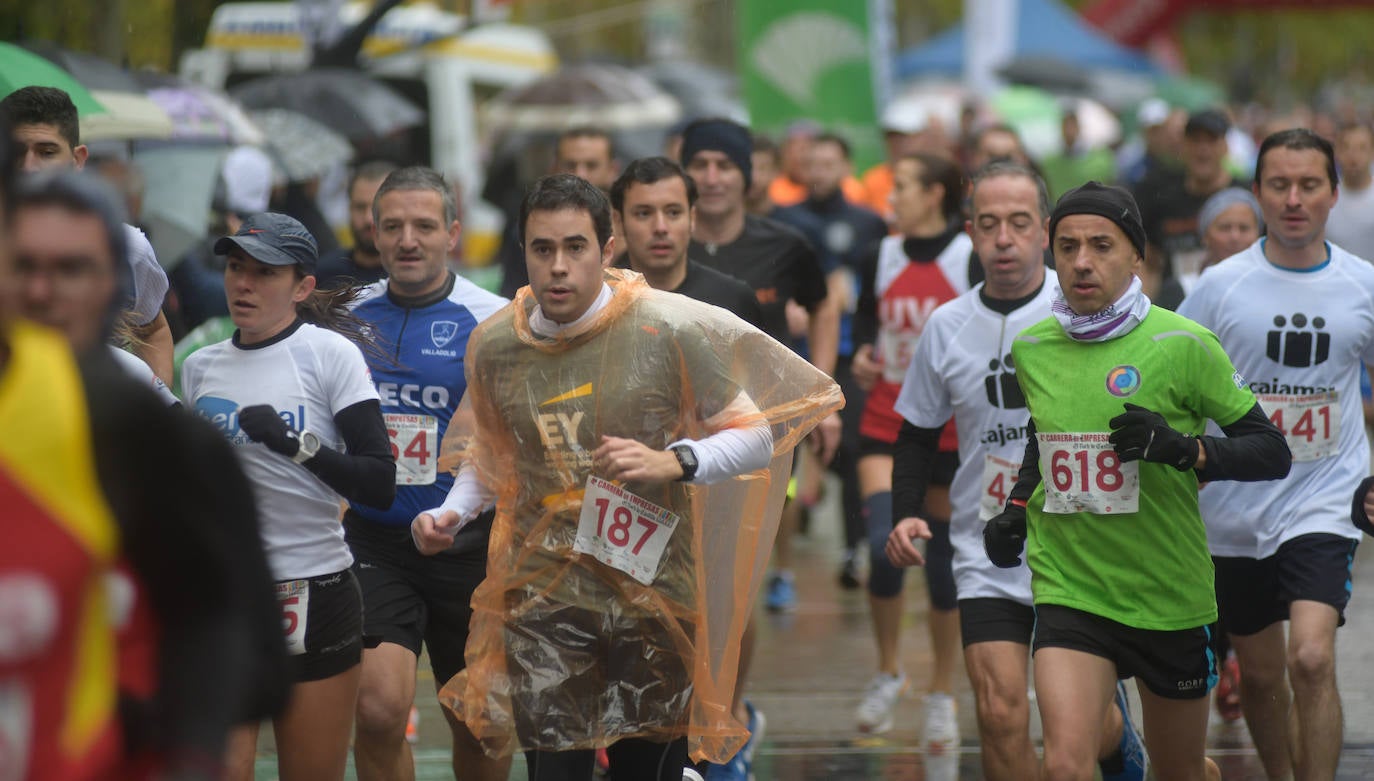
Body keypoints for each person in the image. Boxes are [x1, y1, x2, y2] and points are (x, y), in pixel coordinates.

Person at [410, 174, 841, 779]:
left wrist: (675, 461)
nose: (558, 267)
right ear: (525, 252)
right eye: (542, 249)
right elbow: (491, 455)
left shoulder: (666, 327)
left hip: (652, 597)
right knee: (555, 771)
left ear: (606, 250)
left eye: (575, 248)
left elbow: (757, 435)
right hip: (543, 597)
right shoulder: (499, 344)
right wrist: (452, 512)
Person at [984, 180, 1290, 781]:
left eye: (1101, 245)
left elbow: (1271, 452)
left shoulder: (1183, 344)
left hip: (1167, 594)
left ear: (1137, 256)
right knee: (1065, 765)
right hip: (1072, 585)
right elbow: (1043, 436)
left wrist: (1187, 451)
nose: (1081, 262)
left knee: (1177, 771)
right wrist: (1018, 506)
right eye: (1067, 247)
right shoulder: (1033, 346)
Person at [10, 167, 289, 776]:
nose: (41, 290)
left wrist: (153, 730)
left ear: (113, 286)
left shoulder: (165, 440)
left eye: (70, 269)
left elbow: (252, 656)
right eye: (22, 265)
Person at [884, 162, 1146, 781]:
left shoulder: (1090, 310)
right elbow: (916, 433)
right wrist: (905, 513)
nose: (1004, 239)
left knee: (1072, 733)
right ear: (970, 231)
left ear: (1046, 230)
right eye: (988, 224)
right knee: (1000, 711)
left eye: (1020, 223)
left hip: (1083, 545)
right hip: (989, 548)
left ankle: (1118, 739)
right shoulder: (947, 326)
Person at [1177, 128, 1374, 781]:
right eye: (1279, 185)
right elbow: (1172, 379)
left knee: (1311, 658)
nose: (1294, 199)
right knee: (1261, 678)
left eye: (1309, 185)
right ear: (1258, 192)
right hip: (1232, 510)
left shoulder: (1362, 286)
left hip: (1325, 496)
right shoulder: (1217, 287)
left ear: (1333, 194)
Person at [183, 212, 397, 781]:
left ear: (302, 287)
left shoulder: (329, 355)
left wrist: (294, 445)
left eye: (264, 273)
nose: (243, 284)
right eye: (235, 268)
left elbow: (379, 481)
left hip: (313, 588)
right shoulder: (200, 368)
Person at [344, 166, 512, 781]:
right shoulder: (348, 319)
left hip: (472, 547)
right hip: (375, 542)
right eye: (393, 226)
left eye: (423, 226)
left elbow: (512, 439)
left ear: (453, 234)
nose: (407, 240)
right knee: (379, 711)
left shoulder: (494, 321)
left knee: (479, 723)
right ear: (374, 233)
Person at [610, 156, 765, 781]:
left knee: (720, 623)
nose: (660, 227)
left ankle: (717, 734)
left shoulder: (730, 299)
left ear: (694, 218)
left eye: (673, 212)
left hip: (719, 490)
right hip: (626, 502)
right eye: (643, 213)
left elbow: (772, 402)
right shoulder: (602, 300)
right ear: (616, 225)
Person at [680, 117, 841, 612]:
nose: (711, 178)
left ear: (747, 175)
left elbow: (825, 305)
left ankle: (733, 687)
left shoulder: (783, 245)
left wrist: (822, 395)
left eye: (724, 166)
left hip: (762, 416)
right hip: (679, 416)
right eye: (699, 165)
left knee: (740, 572)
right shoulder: (663, 244)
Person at [848, 151, 970, 747]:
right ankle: (889, 669)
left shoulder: (966, 256)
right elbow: (867, 320)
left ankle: (942, 691)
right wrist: (865, 353)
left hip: (949, 430)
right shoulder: (882, 251)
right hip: (884, 420)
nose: (891, 195)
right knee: (882, 546)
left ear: (936, 194)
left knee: (943, 571)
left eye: (902, 186)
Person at [1, 85, 175, 383]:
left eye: (46, 152)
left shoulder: (122, 246)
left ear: (78, 160)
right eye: (17, 153)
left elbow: (155, 331)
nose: (29, 168)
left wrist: (155, 402)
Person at [1133, 108, 1247, 290]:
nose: (1203, 149)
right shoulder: (1159, 196)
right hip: (1176, 306)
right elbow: (1147, 259)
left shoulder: (1245, 198)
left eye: (1211, 141)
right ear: (1183, 146)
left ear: (1225, 147)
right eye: (1195, 141)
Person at [501, 127, 621, 297]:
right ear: (555, 167)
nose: (581, 174)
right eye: (543, 249)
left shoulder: (634, 230)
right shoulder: (528, 229)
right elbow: (514, 299)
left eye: (591, 165)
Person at [316, 160, 400, 289]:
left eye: (378, 208)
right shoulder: (323, 274)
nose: (368, 219)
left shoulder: (414, 276)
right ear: (349, 208)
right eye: (360, 207)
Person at [1039, 107, 1117, 201]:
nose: (1069, 130)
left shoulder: (1102, 159)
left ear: (1079, 127)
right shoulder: (1050, 162)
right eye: (1065, 125)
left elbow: (1109, 184)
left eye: (1072, 125)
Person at [1327, 122, 1374, 261]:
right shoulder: (1324, 198)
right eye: (1346, 147)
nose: (1353, 155)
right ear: (1336, 152)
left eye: (1362, 148)